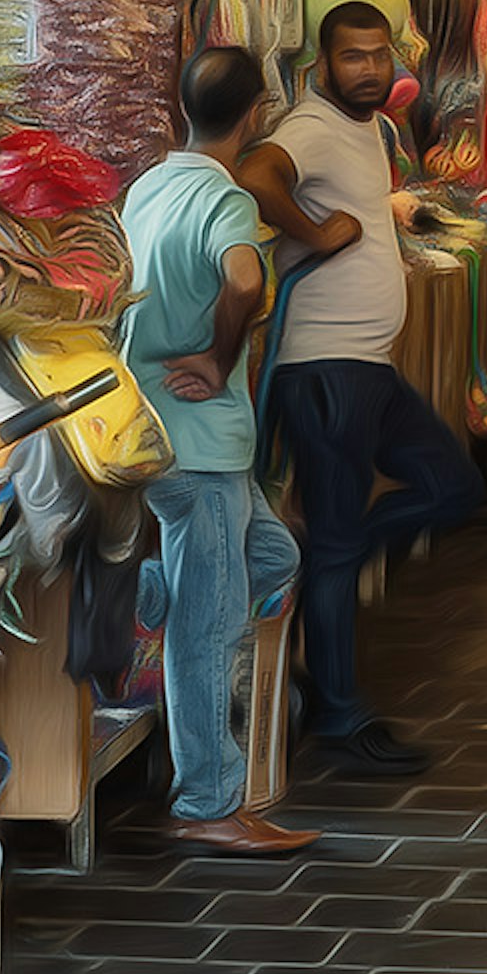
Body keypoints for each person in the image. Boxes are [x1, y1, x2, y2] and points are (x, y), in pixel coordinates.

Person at [243, 2, 483, 777]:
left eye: (379, 55)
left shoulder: (370, 130)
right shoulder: (312, 124)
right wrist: (313, 236)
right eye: (353, 57)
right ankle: (341, 712)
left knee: (453, 487)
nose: (370, 69)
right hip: (324, 371)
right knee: (349, 540)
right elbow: (256, 175)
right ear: (323, 62)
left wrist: (379, 214)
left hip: (367, 370)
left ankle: (327, 562)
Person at [113, 48, 318, 857]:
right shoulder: (226, 201)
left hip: (152, 428)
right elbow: (244, 282)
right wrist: (219, 357)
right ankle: (208, 802)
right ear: (257, 114)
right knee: (213, 624)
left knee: (270, 559)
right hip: (200, 444)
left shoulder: (152, 186)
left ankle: (146, 610)